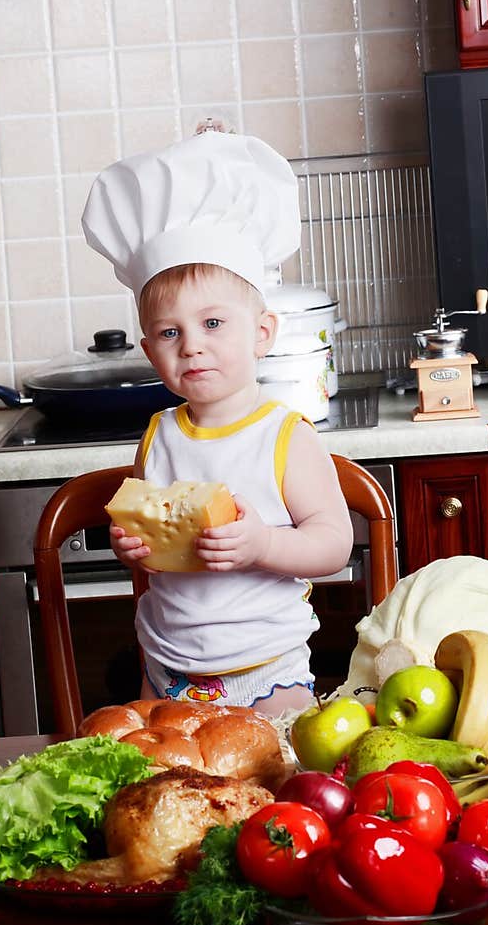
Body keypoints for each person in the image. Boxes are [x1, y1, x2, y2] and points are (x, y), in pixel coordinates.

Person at [82, 131, 353, 717]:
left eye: (212, 323)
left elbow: (333, 544)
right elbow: (152, 534)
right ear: (150, 349)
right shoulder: (160, 434)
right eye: (171, 332)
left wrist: (261, 544)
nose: (193, 348)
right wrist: (131, 547)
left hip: (265, 667)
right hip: (166, 663)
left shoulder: (285, 435)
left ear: (262, 333)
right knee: (173, 792)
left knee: (271, 793)